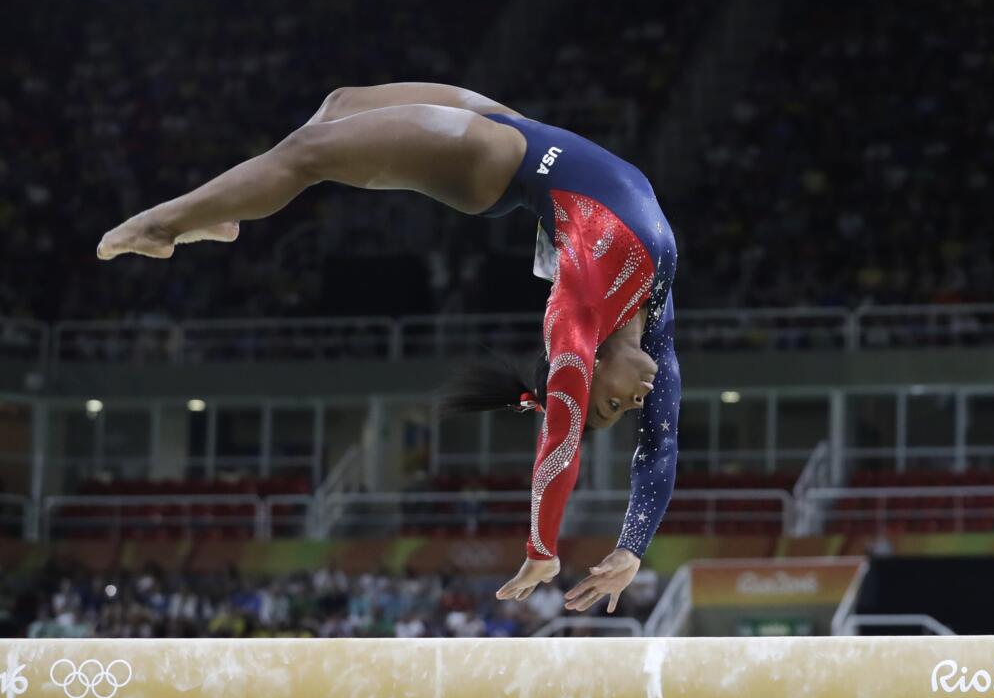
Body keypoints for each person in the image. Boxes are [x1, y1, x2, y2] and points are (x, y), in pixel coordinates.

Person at [97, 83, 680, 614]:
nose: (637, 402)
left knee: (308, 152)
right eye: (619, 407)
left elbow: (561, 435)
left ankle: (163, 226)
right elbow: (661, 444)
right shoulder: (655, 308)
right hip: (524, 132)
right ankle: (224, 211)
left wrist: (542, 546)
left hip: (493, 163)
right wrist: (632, 547)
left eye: (615, 407)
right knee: (338, 105)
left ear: (585, 364)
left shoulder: (576, 317)